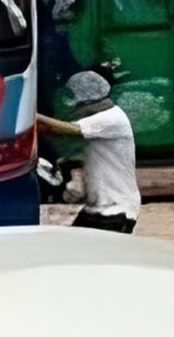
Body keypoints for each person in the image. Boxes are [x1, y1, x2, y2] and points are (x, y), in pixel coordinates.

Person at [40, 70, 139, 234]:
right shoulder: (96, 121)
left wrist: (33, 116)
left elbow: (69, 129)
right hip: (97, 207)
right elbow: (60, 134)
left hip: (116, 209)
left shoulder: (111, 118)